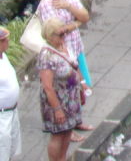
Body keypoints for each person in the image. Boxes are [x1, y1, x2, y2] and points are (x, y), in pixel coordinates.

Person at [38, 18, 85, 161]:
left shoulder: (64, 46)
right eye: (60, 34)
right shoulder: (47, 55)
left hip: (70, 97)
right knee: (58, 134)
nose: (64, 36)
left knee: (67, 131)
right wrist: (57, 109)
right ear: (50, 36)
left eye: (65, 33)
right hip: (57, 100)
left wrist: (81, 84)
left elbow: (74, 66)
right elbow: (47, 86)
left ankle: (63, 159)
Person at [0, 26, 21, 161]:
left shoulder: (4, 56)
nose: (8, 42)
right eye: (5, 40)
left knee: (11, 149)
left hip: (12, 111)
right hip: (2, 115)